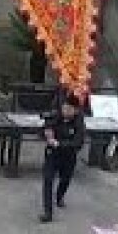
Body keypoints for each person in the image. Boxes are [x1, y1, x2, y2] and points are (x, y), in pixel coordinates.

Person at [40, 92, 87, 223]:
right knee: (48, 180)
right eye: (64, 108)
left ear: (75, 111)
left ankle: (60, 196)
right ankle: (47, 212)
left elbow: (78, 143)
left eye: (69, 109)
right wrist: (46, 133)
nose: (65, 111)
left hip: (68, 156)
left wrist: (59, 143)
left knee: (65, 179)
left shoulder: (79, 123)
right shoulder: (55, 116)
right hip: (52, 154)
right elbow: (44, 130)